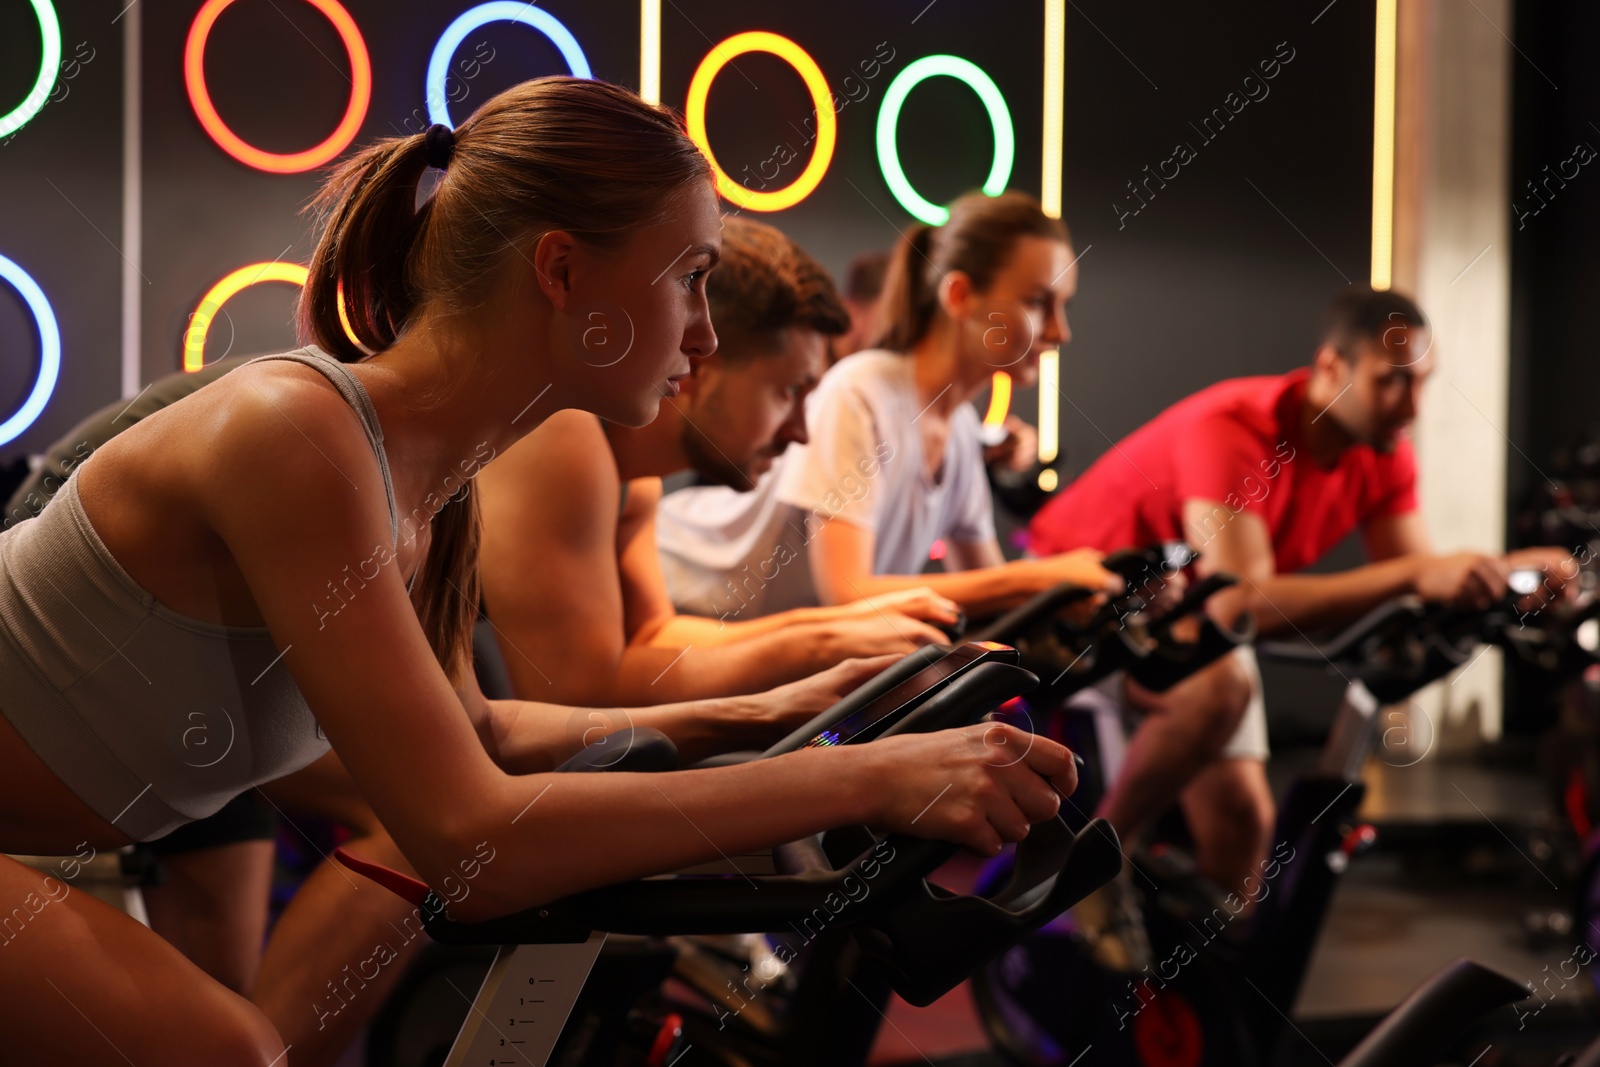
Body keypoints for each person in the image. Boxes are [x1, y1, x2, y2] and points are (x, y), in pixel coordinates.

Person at [0, 79, 1079, 1062]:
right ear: (561, 270)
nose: (704, 334)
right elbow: (470, 833)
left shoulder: (439, 481)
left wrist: (773, 709)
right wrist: (869, 776)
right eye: (691, 278)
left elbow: (482, 732)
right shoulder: (302, 436)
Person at [656, 191, 1255, 971]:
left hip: (805, 653)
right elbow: (848, 588)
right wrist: (1057, 570)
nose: (1062, 331)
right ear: (961, 295)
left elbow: (999, 599)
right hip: (687, 602)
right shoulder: (864, 390)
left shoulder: (961, 430)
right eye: (1042, 303)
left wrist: (1107, 592)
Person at [476, 214, 962, 706]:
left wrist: (839, 625)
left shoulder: (633, 479)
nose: (800, 432)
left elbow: (653, 638)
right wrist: (820, 645)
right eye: (788, 391)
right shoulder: (562, 430)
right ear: (699, 367)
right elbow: (582, 694)